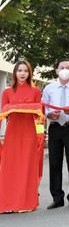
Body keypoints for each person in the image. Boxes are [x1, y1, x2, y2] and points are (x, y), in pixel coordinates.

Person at [42, 59, 69, 209]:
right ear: (56, 71)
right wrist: (50, 114)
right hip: (55, 127)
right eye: (62, 67)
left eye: (68, 67)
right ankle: (57, 198)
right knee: (55, 163)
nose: (65, 69)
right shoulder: (49, 88)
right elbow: (44, 107)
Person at [0, 61, 42, 213]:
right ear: (15, 73)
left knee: (27, 166)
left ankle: (26, 202)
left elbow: (38, 112)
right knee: (9, 166)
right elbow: (4, 111)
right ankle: (8, 203)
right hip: (12, 132)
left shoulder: (36, 91)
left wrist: (23, 107)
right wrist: (17, 107)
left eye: (25, 71)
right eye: (19, 70)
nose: (22, 73)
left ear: (29, 73)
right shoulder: (7, 92)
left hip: (29, 132)